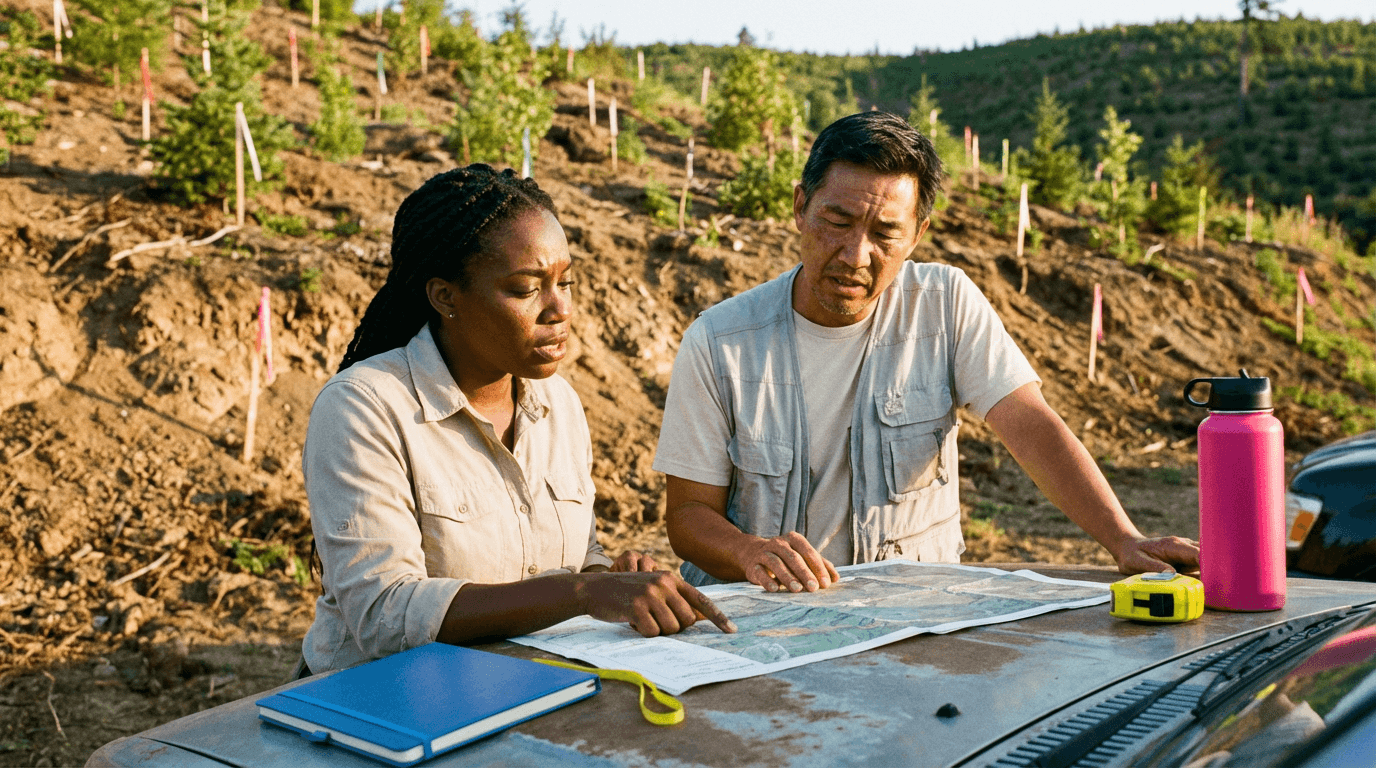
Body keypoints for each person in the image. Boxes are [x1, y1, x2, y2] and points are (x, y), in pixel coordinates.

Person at [654, 112, 1200, 593]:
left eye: (885, 233)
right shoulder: (719, 341)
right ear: (801, 206)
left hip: (909, 618)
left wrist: (1124, 540)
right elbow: (688, 516)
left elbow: (1029, 424)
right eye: (836, 221)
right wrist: (748, 553)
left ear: (917, 234)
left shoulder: (945, 305)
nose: (855, 254)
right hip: (764, 621)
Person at [300, 165, 733, 676]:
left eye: (566, 282)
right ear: (445, 296)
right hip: (381, 705)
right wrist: (581, 591)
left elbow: (577, 558)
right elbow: (383, 614)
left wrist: (610, 575)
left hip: (517, 686)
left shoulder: (559, 405)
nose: (559, 309)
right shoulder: (364, 408)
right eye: (527, 289)